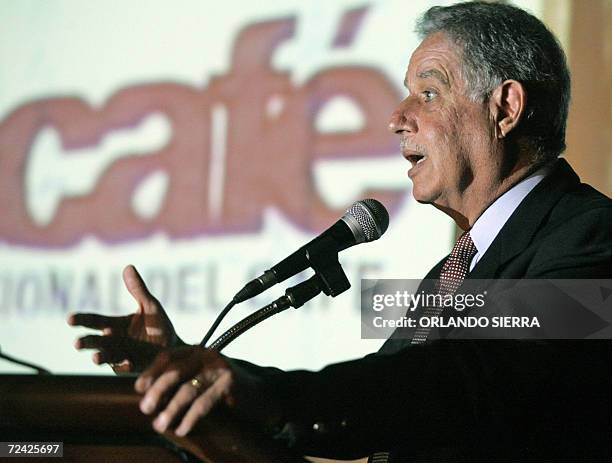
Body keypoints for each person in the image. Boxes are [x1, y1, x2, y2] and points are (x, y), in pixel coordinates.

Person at [68, 2, 612, 461]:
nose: (397, 117)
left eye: (428, 93)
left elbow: (462, 383)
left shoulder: (591, 236)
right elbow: (383, 400)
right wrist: (190, 368)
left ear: (506, 107)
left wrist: (273, 397)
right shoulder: (453, 271)